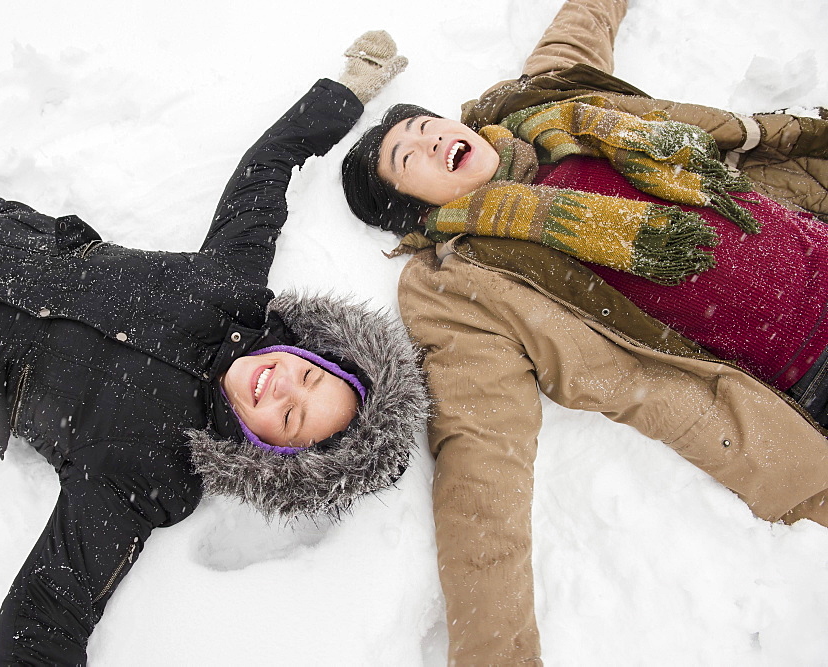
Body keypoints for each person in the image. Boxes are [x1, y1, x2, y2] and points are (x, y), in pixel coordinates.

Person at [0, 31, 426, 664]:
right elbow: (267, 167)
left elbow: (46, 615)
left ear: (275, 453)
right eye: (309, 379)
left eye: (291, 417)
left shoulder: (153, 472)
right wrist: (349, 88)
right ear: (314, 352)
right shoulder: (234, 287)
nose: (280, 386)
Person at [340, 1, 828, 664]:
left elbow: (583, 23)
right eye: (409, 156)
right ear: (415, 207)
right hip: (808, 372)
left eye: (427, 126)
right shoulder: (462, 284)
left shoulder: (545, 106)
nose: (430, 139)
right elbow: (480, 464)